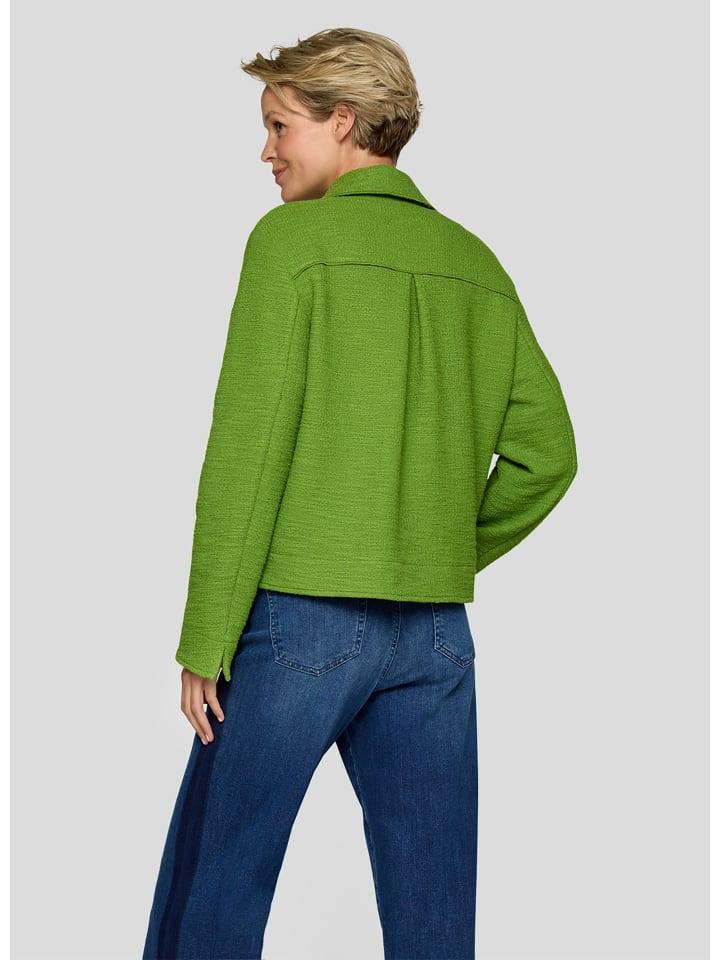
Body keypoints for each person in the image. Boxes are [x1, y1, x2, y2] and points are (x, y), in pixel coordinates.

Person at [142, 27, 578, 960]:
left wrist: (205, 636)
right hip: (434, 637)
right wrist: (436, 551)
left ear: (343, 121)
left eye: (279, 126)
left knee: (214, 889)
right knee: (433, 920)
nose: (265, 151)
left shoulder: (291, 245)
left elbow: (247, 454)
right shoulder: (475, 264)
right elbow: (548, 455)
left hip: (298, 626)